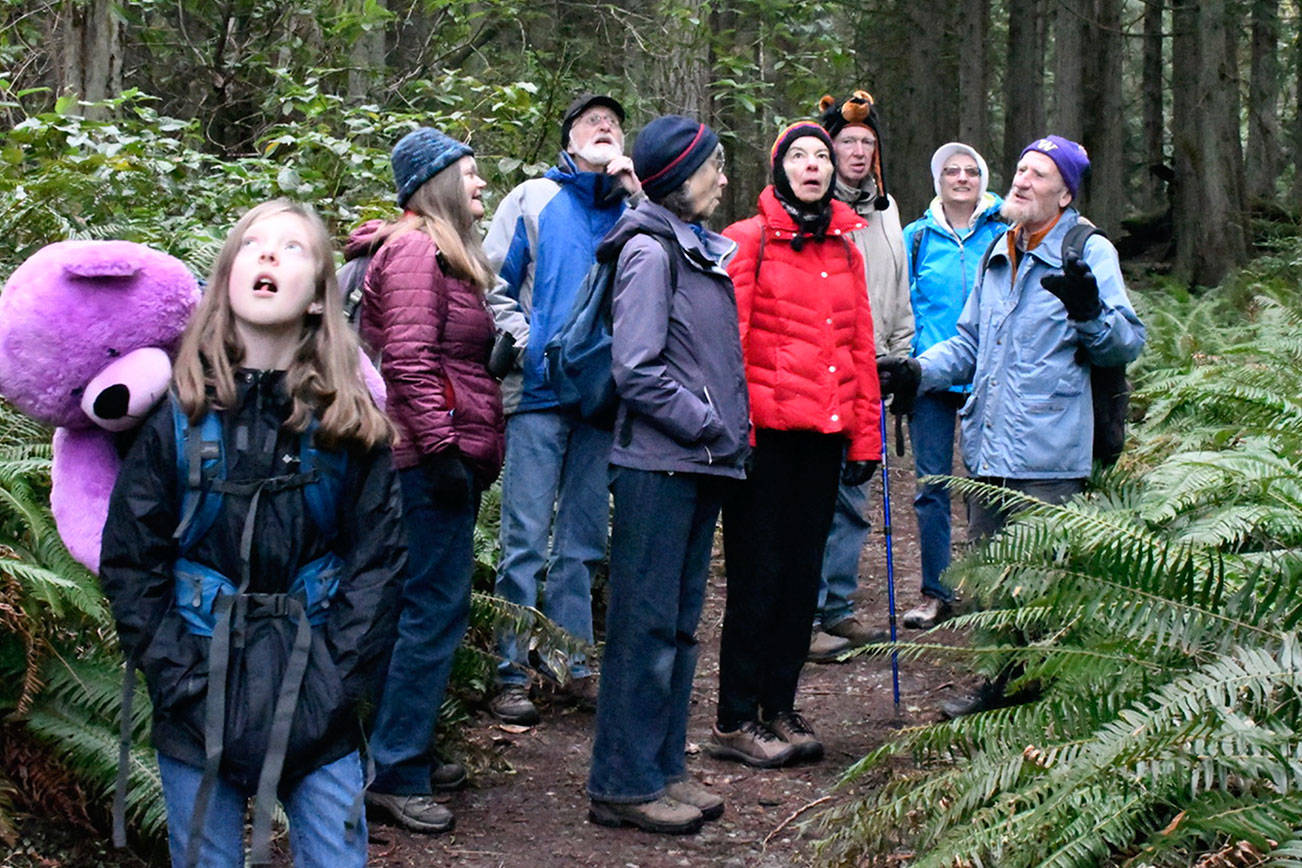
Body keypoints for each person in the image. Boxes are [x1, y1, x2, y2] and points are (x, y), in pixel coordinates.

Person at [99, 199, 404, 867]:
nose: (268, 254)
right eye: (253, 244)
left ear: (322, 297)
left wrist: (333, 690)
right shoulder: (175, 419)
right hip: (197, 690)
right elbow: (131, 564)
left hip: (316, 693)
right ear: (225, 281)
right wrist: (183, 686)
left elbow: (378, 568)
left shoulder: (346, 426)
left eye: (293, 247)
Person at [878, 135, 1146, 716]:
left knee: (1041, 586)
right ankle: (998, 688)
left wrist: (1088, 312)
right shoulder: (1001, 247)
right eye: (1021, 169)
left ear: (1065, 192)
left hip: (1050, 454)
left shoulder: (1088, 250)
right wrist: (917, 371)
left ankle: (1045, 701)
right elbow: (971, 342)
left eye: (1039, 175)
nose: (1022, 181)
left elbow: (1126, 342)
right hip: (989, 446)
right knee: (994, 582)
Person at [585, 115, 747, 834]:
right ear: (681, 177)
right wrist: (709, 424)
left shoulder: (693, 246)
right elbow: (637, 369)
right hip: (659, 465)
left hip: (694, 464)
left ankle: (662, 770)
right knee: (643, 630)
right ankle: (622, 783)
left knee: (678, 628)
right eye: (713, 166)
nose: (721, 178)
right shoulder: (650, 252)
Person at [349, 127, 505, 833]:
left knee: (419, 607)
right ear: (436, 184)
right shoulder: (416, 249)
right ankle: (395, 770)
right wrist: (442, 451)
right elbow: (407, 359)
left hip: (438, 454)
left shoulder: (440, 254)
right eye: (471, 175)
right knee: (429, 611)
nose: (481, 186)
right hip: (423, 461)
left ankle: (398, 750)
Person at [711, 122, 882, 768]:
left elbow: (859, 351)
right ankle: (735, 716)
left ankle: (779, 705)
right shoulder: (747, 242)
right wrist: (739, 438)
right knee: (758, 578)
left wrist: (866, 439)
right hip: (765, 442)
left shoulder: (845, 249)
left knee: (802, 582)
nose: (813, 166)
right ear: (779, 167)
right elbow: (728, 351)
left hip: (824, 441)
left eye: (822, 157)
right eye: (800, 156)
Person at [483, 93, 642, 725]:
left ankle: (571, 663)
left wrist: (637, 193)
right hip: (539, 395)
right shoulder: (531, 199)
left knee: (582, 541)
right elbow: (493, 286)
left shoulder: (637, 208)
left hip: (603, 398)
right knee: (524, 539)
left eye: (613, 122)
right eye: (590, 122)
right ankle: (510, 673)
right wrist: (530, 349)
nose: (603, 126)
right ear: (568, 139)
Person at [809, 90, 916, 661]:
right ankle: (806, 611)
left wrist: (902, 350)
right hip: (824, 367)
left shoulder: (887, 209)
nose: (856, 151)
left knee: (856, 488)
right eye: (846, 141)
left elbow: (896, 283)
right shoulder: (817, 210)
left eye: (865, 143)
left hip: (874, 366)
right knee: (816, 492)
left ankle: (838, 608)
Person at [898, 142, 1007, 630]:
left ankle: (993, 588)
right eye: (951, 171)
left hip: (993, 377)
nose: (961, 179)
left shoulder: (1008, 232)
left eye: (971, 171)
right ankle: (936, 590)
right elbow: (900, 302)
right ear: (937, 180)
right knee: (933, 486)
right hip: (932, 375)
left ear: (983, 179)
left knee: (991, 486)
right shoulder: (916, 238)